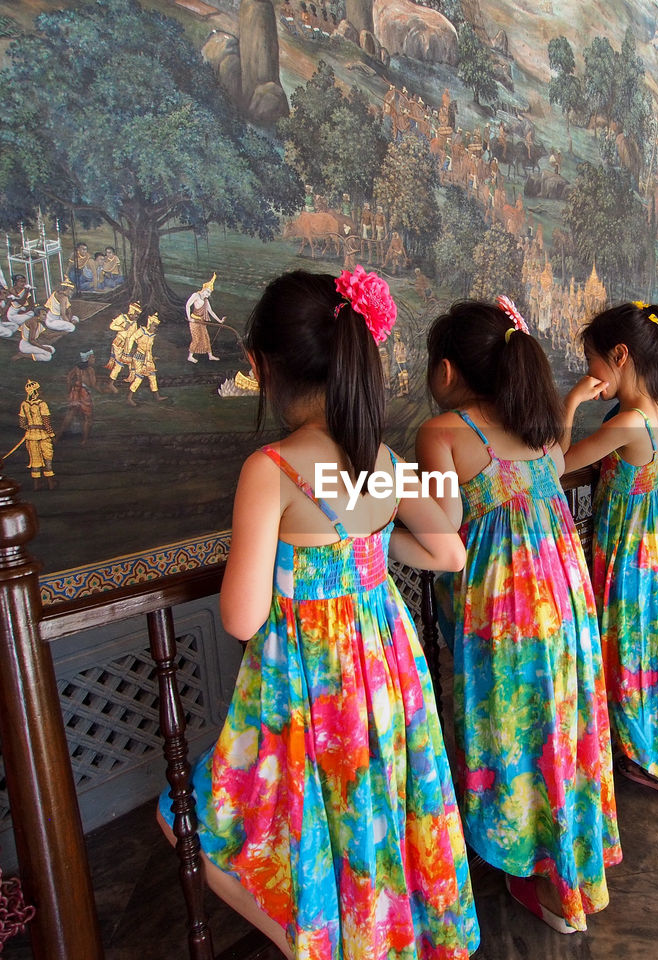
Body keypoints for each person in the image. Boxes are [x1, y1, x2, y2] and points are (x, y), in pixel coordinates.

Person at [158, 268, 479, 960]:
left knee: (204, 820)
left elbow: (242, 618)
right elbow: (450, 552)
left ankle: (316, 944)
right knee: (372, 816)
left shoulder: (271, 469)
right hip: (385, 670)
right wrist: (369, 548)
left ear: (259, 366)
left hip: (308, 686)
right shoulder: (383, 465)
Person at [415, 297, 620, 936]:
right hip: (565, 607)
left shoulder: (442, 433)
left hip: (501, 619)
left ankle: (533, 873)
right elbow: (555, 471)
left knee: (513, 736)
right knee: (560, 730)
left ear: (445, 371)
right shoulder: (532, 428)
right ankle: (572, 875)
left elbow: (442, 533)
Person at [561, 300, 658, 799]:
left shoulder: (627, 423)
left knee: (631, 656)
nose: (589, 372)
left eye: (592, 361)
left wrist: (572, 402)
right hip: (650, 557)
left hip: (629, 560)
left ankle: (654, 760)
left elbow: (554, 464)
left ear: (619, 355)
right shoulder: (648, 411)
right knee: (652, 655)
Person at [18, 379, 56, 490]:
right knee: (47, 458)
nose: (41, 391)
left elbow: (21, 423)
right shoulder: (42, 404)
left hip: (30, 436)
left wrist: (30, 429)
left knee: (35, 460)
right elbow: (46, 422)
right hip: (43, 435)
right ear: (35, 391)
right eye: (39, 389)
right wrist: (52, 435)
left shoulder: (24, 405)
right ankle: (50, 484)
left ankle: (36, 485)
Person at [59, 350, 97, 444]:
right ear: (87, 359)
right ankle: (84, 440)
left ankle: (57, 436)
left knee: (70, 414)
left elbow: (69, 377)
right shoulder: (90, 370)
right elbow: (92, 384)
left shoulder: (77, 368)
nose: (94, 359)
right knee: (87, 417)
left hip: (75, 391)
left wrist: (69, 390)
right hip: (84, 393)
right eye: (92, 357)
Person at [126, 313, 165, 403]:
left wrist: (151, 358)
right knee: (139, 377)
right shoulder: (141, 331)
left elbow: (149, 349)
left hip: (148, 359)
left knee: (152, 376)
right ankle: (129, 398)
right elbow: (131, 338)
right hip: (139, 357)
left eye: (156, 327)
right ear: (150, 324)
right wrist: (129, 351)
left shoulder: (152, 336)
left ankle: (157, 397)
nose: (155, 328)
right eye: (154, 326)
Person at [185, 274, 223, 362]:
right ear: (204, 289)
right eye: (208, 292)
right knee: (196, 338)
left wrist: (219, 321)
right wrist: (189, 318)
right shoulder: (196, 295)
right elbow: (187, 305)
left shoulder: (206, 300)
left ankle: (210, 355)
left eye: (210, 293)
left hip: (201, 321)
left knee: (206, 337)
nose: (208, 294)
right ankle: (190, 356)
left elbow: (211, 312)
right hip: (194, 321)